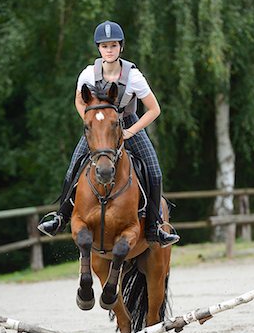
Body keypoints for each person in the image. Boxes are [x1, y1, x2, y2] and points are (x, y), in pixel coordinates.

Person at [38, 21, 179, 247]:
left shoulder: (134, 77)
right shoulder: (87, 73)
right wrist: (92, 123)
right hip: (100, 129)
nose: (109, 50)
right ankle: (61, 217)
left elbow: (154, 109)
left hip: (128, 124)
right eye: (104, 46)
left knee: (154, 170)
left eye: (113, 45)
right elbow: (78, 99)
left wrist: (131, 131)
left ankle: (155, 226)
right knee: (73, 166)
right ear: (99, 49)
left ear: (121, 47)